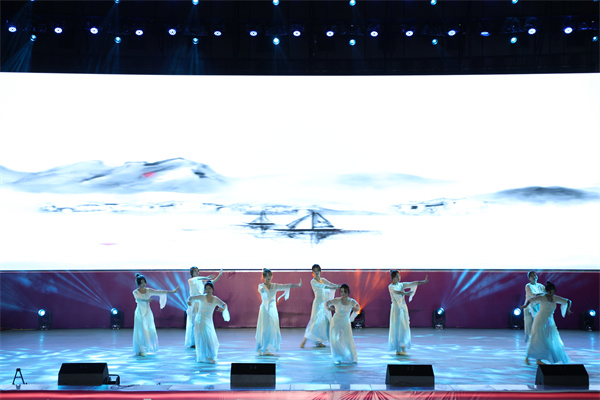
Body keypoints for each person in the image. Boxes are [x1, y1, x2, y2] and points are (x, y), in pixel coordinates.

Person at [520, 281, 572, 365]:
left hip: (550, 321)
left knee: (549, 339)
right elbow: (530, 300)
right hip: (540, 319)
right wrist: (525, 306)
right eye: (551, 292)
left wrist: (568, 309)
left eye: (554, 292)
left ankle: (544, 358)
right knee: (537, 338)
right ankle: (530, 357)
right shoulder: (542, 297)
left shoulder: (555, 298)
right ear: (547, 291)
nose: (552, 294)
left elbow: (568, 301)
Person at [256, 268, 302, 356]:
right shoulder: (261, 286)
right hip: (265, 310)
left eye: (269, 276)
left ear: (271, 276)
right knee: (265, 329)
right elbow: (261, 291)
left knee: (271, 329)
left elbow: (285, 286)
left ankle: (265, 348)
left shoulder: (275, 286)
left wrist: (297, 285)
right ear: (263, 277)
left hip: (272, 310)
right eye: (266, 276)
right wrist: (263, 290)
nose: (268, 277)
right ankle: (262, 348)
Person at [132, 273, 179, 356]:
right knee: (141, 330)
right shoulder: (135, 292)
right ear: (138, 283)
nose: (143, 284)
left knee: (149, 330)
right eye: (141, 282)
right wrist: (146, 300)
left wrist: (172, 291)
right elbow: (138, 299)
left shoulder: (148, 290)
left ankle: (146, 347)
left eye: (144, 282)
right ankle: (141, 349)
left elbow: (159, 292)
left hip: (147, 313)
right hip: (140, 313)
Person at [300, 264, 341, 348]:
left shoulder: (323, 280)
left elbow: (330, 284)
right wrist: (334, 287)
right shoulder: (313, 281)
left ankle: (319, 341)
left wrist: (338, 286)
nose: (316, 273)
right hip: (318, 304)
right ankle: (304, 341)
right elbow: (323, 286)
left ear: (320, 271)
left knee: (324, 323)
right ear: (312, 272)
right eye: (315, 271)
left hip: (325, 304)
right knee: (314, 322)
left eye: (318, 271)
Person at [388, 270, 428, 355]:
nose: (399, 278)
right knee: (397, 328)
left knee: (404, 327)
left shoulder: (401, 285)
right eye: (397, 276)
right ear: (393, 278)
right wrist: (406, 293)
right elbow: (397, 292)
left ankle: (402, 347)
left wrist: (423, 282)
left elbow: (412, 283)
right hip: (396, 309)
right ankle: (398, 349)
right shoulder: (391, 286)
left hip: (403, 308)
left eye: (399, 276)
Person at [188, 281, 229, 363]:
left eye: (209, 288)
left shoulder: (215, 299)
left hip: (209, 321)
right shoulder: (202, 297)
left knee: (211, 338)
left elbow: (224, 304)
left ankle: (209, 355)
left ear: (212, 289)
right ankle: (204, 356)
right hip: (200, 320)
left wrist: (223, 308)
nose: (208, 290)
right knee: (204, 338)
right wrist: (189, 302)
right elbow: (191, 298)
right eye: (206, 289)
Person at [185, 267, 223, 347]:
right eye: (195, 271)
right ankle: (193, 342)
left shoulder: (201, 281)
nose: (196, 272)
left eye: (197, 271)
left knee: (201, 323)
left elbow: (211, 282)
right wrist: (206, 277)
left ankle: (200, 341)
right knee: (194, 323)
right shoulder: (191, 280)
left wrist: (219, 275)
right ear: (191, 273)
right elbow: (197, 279)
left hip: (201, 303)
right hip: (194, 304)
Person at [325, 283, 360, 364]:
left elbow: (357, 306)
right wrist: (328, 307)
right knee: (335, 340)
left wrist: (356, 309)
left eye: (345, 292)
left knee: (347, 339)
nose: (343, 293)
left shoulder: (351, 301)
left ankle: (351, 357)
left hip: (345, 323)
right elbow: (327, 303)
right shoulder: (337, 300)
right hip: (335, 322)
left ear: (348, 292)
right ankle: (339, 357)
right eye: (341, 291)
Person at [524, 270, 545, 343]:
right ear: (529, 278)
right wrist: (542, 294)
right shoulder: (528, 286)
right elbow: (533, 295)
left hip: (537, 306)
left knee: (537, 323)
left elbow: (546, 293)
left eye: (535, 275)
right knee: (528, 323)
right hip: (529, 306)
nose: (534, 276)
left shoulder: (541, 286)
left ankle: (536, 338)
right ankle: (527, 337)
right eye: (532, 275)